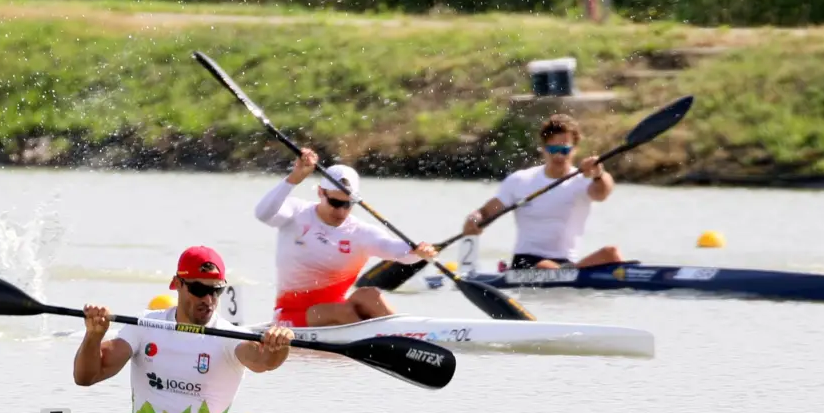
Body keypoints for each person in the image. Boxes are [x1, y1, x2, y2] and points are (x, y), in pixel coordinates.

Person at [73, 245, 294, 413]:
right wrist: (93, 336)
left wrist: (279, 345)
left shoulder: (230, 335)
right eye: (198, 289)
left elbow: (265, 361)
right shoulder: (145, 325)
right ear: (177, 284)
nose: (208, 300)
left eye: (215, 290)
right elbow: (86, 376)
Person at [254, 148, 438, 327]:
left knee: (369, 294)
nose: (341, 211)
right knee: (341, 312)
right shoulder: (296, 212)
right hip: (291, 314)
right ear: (320, 192)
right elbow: (263, 213)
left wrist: (418, 252)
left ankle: (405, 334)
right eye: (335, 202)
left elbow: (395, 250)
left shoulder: (359, 232)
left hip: (340, 311)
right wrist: (294, 179)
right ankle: (380, 340)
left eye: (348, 204)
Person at [461, 114, 620, 270]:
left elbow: (602, 193)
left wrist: (598, 174)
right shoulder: (520, 180)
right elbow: (486, 212)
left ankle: (571, 273)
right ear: (543, 149)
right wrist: (474, 218)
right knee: (544, 266)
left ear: (575, 150)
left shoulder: (584, 181)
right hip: (526, 262)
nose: (558, 155)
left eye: (564, 150)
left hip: (566, 264)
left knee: (611, 253)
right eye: (553, 149)